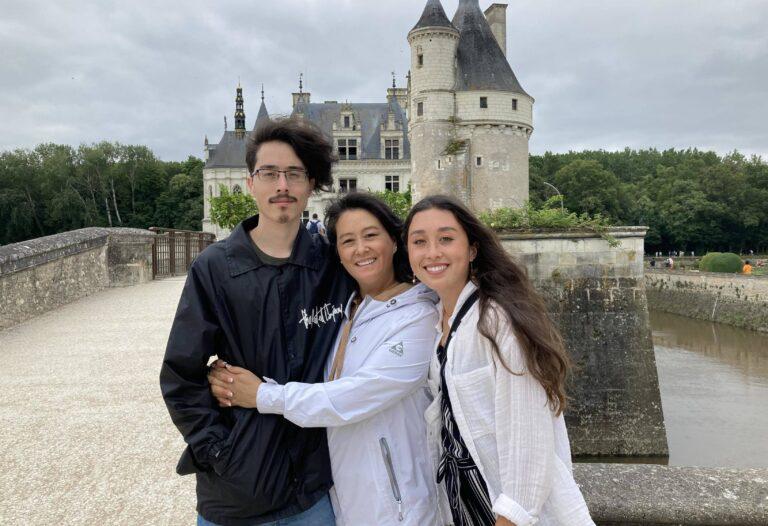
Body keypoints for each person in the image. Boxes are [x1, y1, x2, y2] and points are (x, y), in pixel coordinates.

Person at [160, 118, 353, 526]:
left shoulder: (335, 265)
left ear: (310, 184)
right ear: (250, 183)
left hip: (313, 494)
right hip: (236, 498)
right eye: (269, 173)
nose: (282, 185)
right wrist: (220, 452)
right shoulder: (215, 268)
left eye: (294, 174)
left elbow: (402, 277)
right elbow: (180, 376)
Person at [208, 193, 441, 525]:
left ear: (394, 241)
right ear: (339, 255)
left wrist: (261, 395)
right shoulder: (347, 310)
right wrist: (226, 371)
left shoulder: (418, 316)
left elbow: (356, 395)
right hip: (345, 501)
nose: (361, 249)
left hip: (402, 505)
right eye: (348, 241)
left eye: (370, 235)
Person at [404, 195, 595, 526]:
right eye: (419, 242)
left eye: (446, 239)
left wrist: (509, 518)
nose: (432, 252)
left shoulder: (497, 321)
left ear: (472, 250)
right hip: (466, 507)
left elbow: (528, 442)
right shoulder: (440, 323)